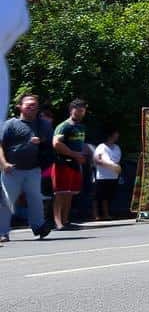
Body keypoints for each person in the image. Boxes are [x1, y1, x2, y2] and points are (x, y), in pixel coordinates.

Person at [0, 94, 52, 242]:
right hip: (12, 169)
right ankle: (2, 232)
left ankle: (39, 227)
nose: (31, 106)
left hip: (33, 169)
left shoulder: (44, 125)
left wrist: (40, 142)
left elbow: (48, 146)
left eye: (34, 104)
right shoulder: (10, 124)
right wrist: (4, 164)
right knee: (6, 201)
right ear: (19, 107)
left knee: (36, 199)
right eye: (28, 104)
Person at [51, 98, 88, 231]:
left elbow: (80, 144)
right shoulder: (64, 126)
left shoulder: (81, 126)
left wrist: (82, 155)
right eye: (79, 109)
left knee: (70, 193)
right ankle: (57, 222)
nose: (81, 112)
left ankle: (66, 220)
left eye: (83, 110)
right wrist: (74, 154)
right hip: (62, 163)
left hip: (75, 164)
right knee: (60, 193)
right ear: (72, 110)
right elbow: (56, 143)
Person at [92, 126, 122, 221]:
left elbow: (117, 160)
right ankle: (96, 215)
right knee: (98, 196)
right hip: (102, 176)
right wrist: (110, 165)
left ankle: (106, 214)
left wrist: (115, 167)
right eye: (116, 133)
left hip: (113, 176)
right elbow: (97, 160)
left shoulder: (117, 147)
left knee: (108, 196)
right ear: (111, 135)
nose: (118, 135)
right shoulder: (101, 147)